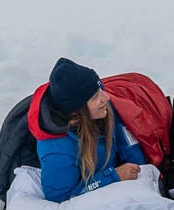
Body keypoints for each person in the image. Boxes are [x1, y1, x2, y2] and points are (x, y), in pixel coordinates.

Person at [34, 57, 146, 202]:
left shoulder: (100, 107)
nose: (106, 97)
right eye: (95, 96)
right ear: (76, 110)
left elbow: (124, 136)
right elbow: (62, 199)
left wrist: (141, 169)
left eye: (100, 89)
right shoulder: (57, 152)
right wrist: (113, 176)